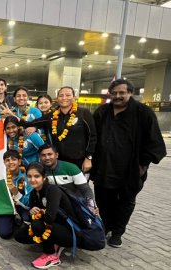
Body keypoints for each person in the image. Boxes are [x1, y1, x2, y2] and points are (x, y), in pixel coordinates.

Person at [91, 79, 166, 248]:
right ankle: (106, 226)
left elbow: (154, 141)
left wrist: (143, 164)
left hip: (130, 170)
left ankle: (117, 232)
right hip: (104, 168)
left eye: (122, 93)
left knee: (125, 202)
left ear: (130, 93)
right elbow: (93, 137)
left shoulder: (143, 113)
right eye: (114, 93)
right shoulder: (102, 112)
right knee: (103, 200)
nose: (118, 96)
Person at [15, 162, 76, 269]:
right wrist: (31, 211)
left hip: (70, 232)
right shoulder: (34, 192)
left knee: (37, 225)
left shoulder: (53, 190)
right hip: (53, 226)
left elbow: (49, 217)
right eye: (29, 176)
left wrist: (37, 214)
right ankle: (53, 242)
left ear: (44, 177)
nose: (32, 179)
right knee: (20, 235)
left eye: (36, 176)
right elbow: (32, 217)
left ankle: (51, 255)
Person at [28, 87, 96, 172]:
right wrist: (34, 126)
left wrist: (88, 158)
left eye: (68, 95)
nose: (64, 98)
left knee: (79, 185)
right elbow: (31, 123)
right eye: (61, 95)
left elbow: (92, 137)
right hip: (58, 161)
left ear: (74, 98)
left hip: (79, 162)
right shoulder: (51, 115)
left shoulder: (83, 113)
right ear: (57, 99)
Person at [0, 150, 32, 239]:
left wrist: (15, 191)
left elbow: (29, 203)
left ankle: (21, 220)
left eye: (14, 159)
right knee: (4, 234)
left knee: (27, 231)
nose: (10, 162)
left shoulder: (27, 177)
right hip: (7, 207)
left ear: (19, 161)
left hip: (23, 207)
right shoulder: (2, 177)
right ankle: (12, 221)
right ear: (4, 162)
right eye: (7, 160)